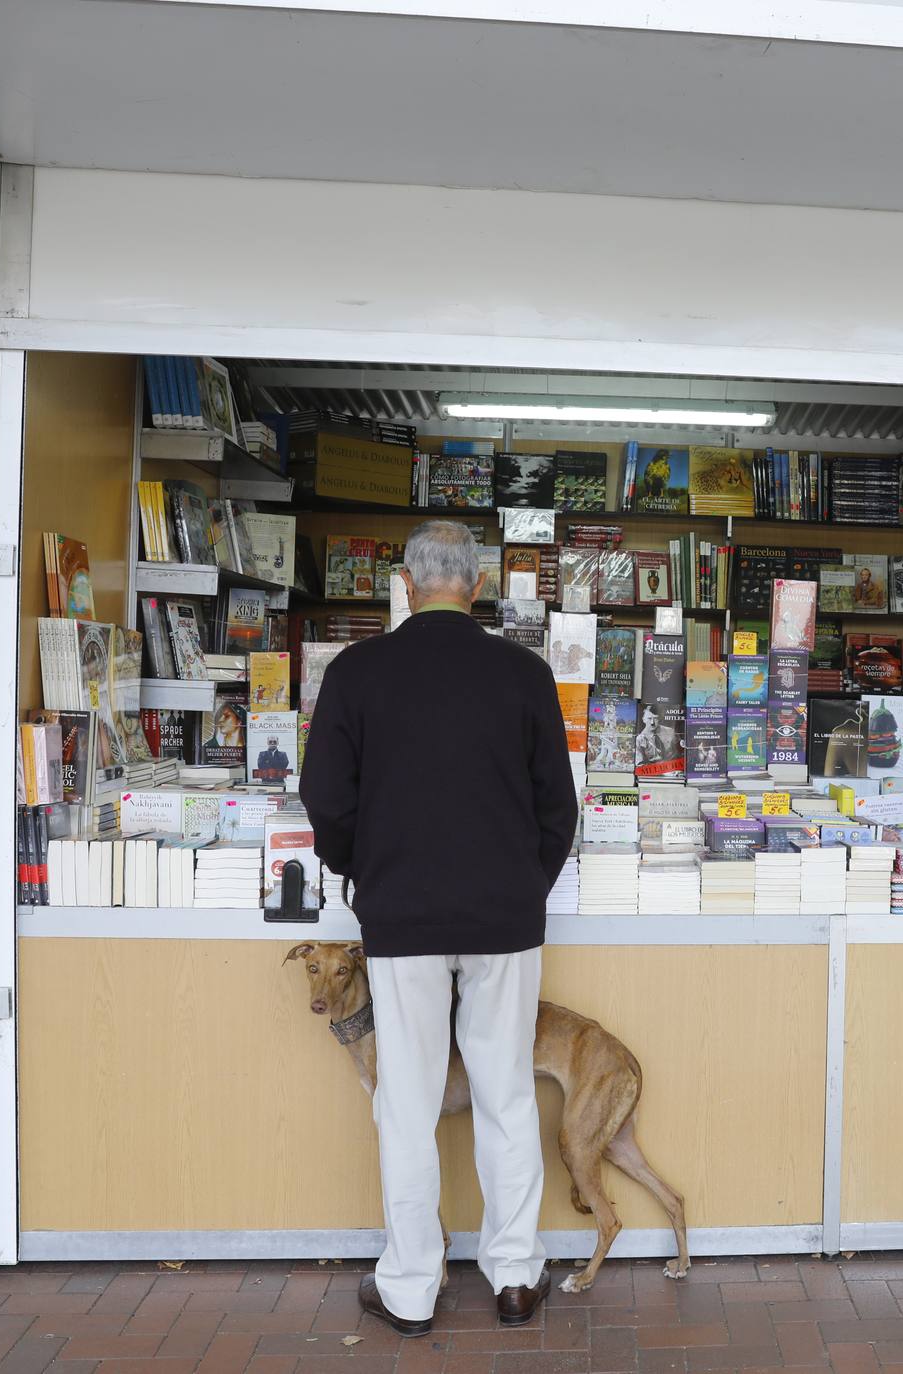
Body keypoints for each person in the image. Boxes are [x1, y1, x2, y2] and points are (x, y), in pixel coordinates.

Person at [301, 520, 577, 1339]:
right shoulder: (522, 674)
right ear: (478, 584)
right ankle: (516, 1275)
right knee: (505, 1097)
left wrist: (367, 875)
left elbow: (326, 802)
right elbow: (556, 808)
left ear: (407, 585)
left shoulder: (357, 672)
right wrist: (526, 884)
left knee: (406, 1101)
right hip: (504, 917)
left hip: (402, 914)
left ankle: (413, 1287)